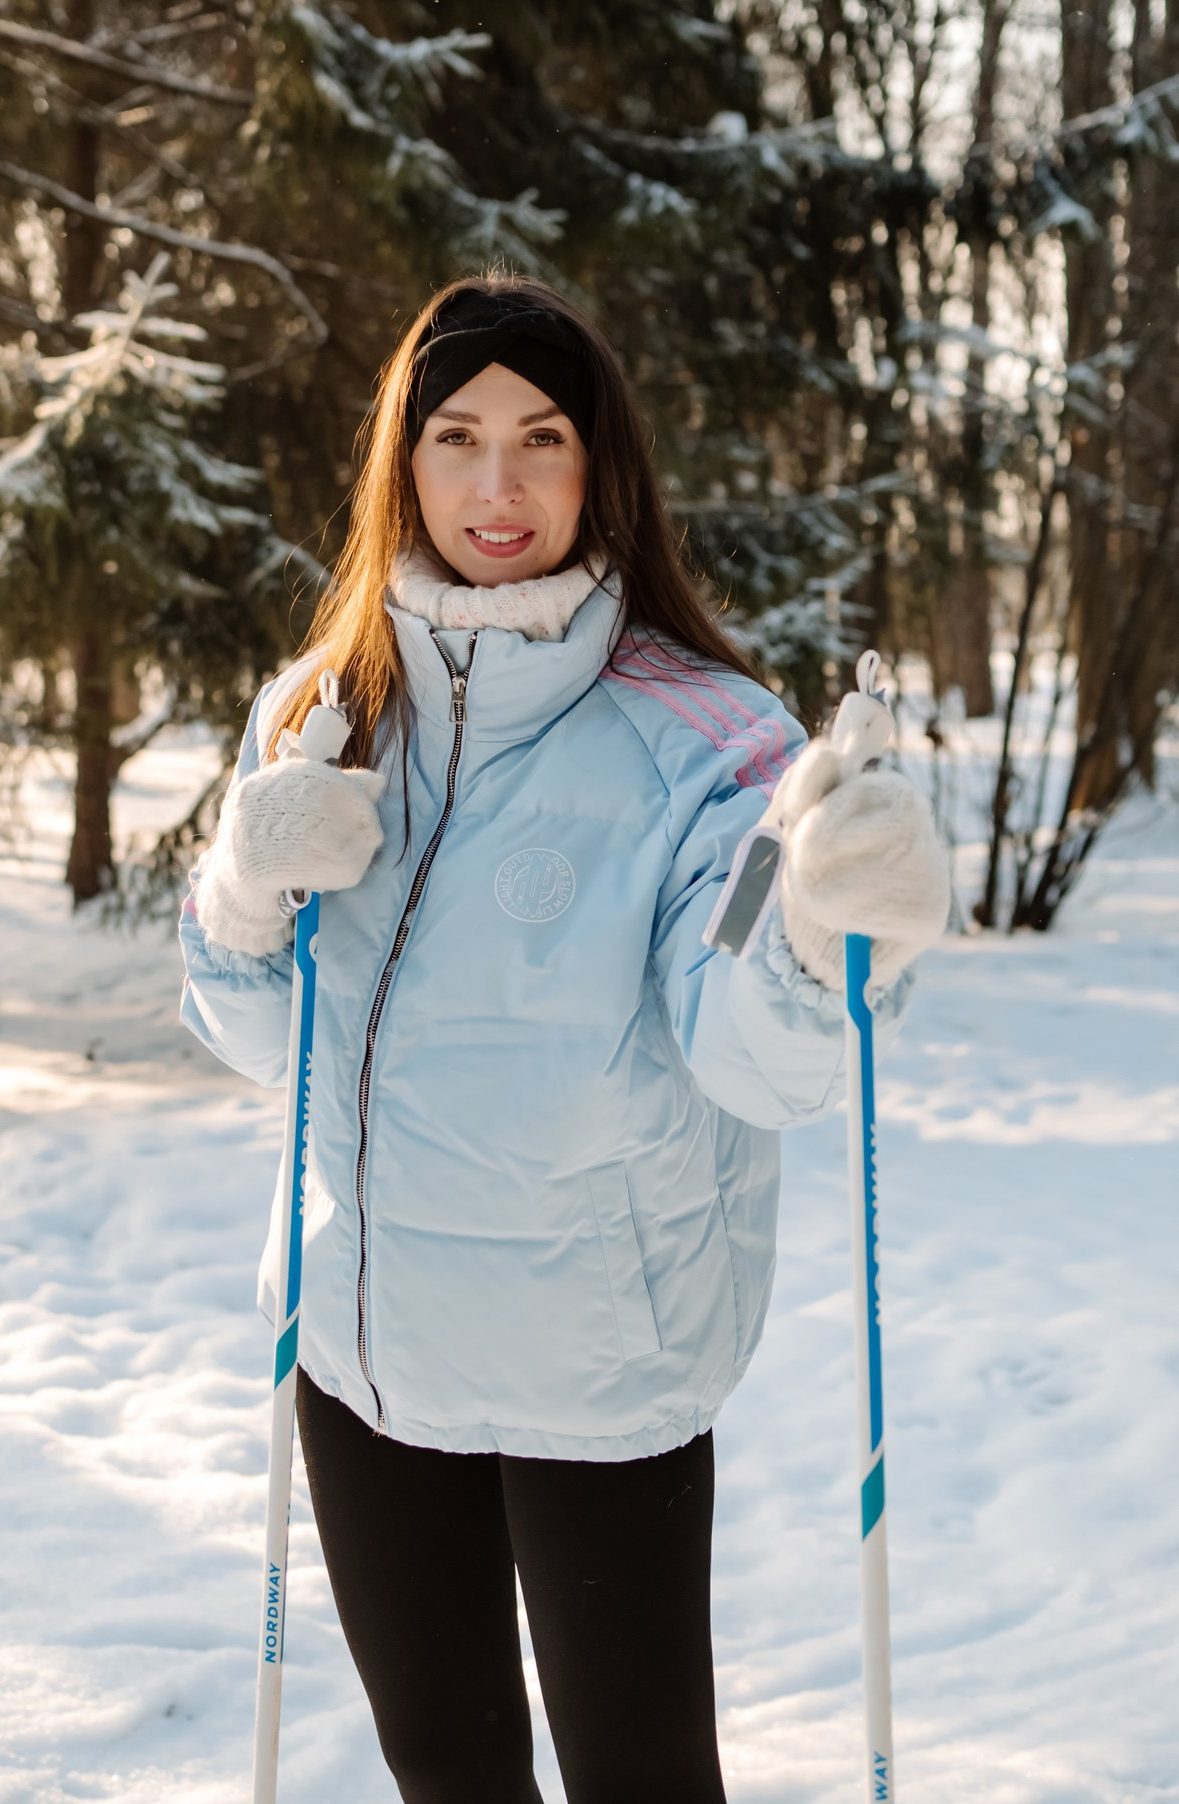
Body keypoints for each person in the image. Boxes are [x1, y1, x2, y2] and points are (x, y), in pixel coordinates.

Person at [178, 275, 948, 1804]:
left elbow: (754, 1055)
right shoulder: (323, 711)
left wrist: (818, 931)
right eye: (455, 437)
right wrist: (244, 885)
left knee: (640, 1783)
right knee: (447, 1781)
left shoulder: (715, 743)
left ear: (602, 466)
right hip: (363, 1356)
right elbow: (257, 1039)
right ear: (403, 460)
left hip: (602, 1370)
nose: (497, 483)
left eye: (541, 438)